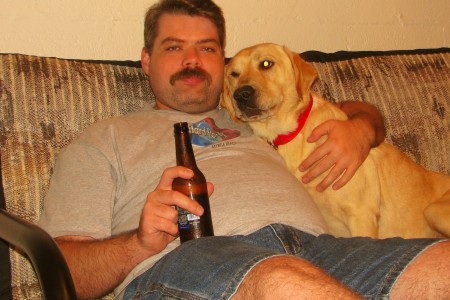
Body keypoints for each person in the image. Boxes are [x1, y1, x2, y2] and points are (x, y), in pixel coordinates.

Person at [38, 0, 450, 299]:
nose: (193, 60)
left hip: (322, 249)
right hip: (200, 260)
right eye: (173, 47)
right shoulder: (103, 137)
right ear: (146, 61)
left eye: (207, 48)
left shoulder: (258, 114)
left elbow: (349, 109)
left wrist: (361, 129)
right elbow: (63, 272)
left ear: (223, 63)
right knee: (284, 283)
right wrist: (139, 242)